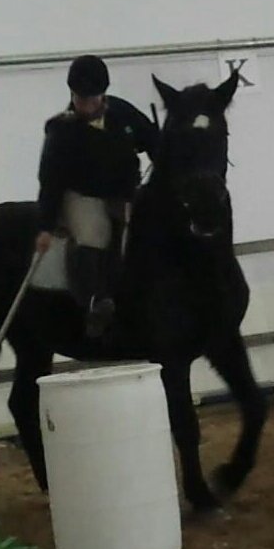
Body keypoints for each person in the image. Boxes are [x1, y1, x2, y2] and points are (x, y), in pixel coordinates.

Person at [35, 54, 159, 338]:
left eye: (92, 99)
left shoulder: (122, 114)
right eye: (80, 99)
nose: (86, 106)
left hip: (124, 194)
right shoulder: (61, 130)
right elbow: (50, 182)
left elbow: (153, 141)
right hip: (82, 196)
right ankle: (94, 300)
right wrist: (44, 226)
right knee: (95, 234)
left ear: (102, 95)